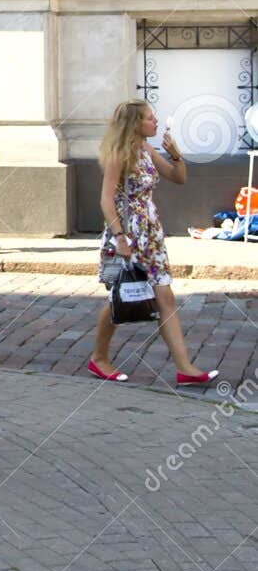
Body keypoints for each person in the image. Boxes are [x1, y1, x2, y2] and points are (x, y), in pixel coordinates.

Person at [90, 101, 218, 386]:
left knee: (165, 297)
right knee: (121, 296)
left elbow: (178, 178)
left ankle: (185, 368)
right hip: (128, 233)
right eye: (150, 118)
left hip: (151, 233)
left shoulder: (147, 150)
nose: (155, 121)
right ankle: (99, 358)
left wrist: (177, 157)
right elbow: (106, 199)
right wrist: (120, 237)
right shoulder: (118, 154)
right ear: (135, 123)